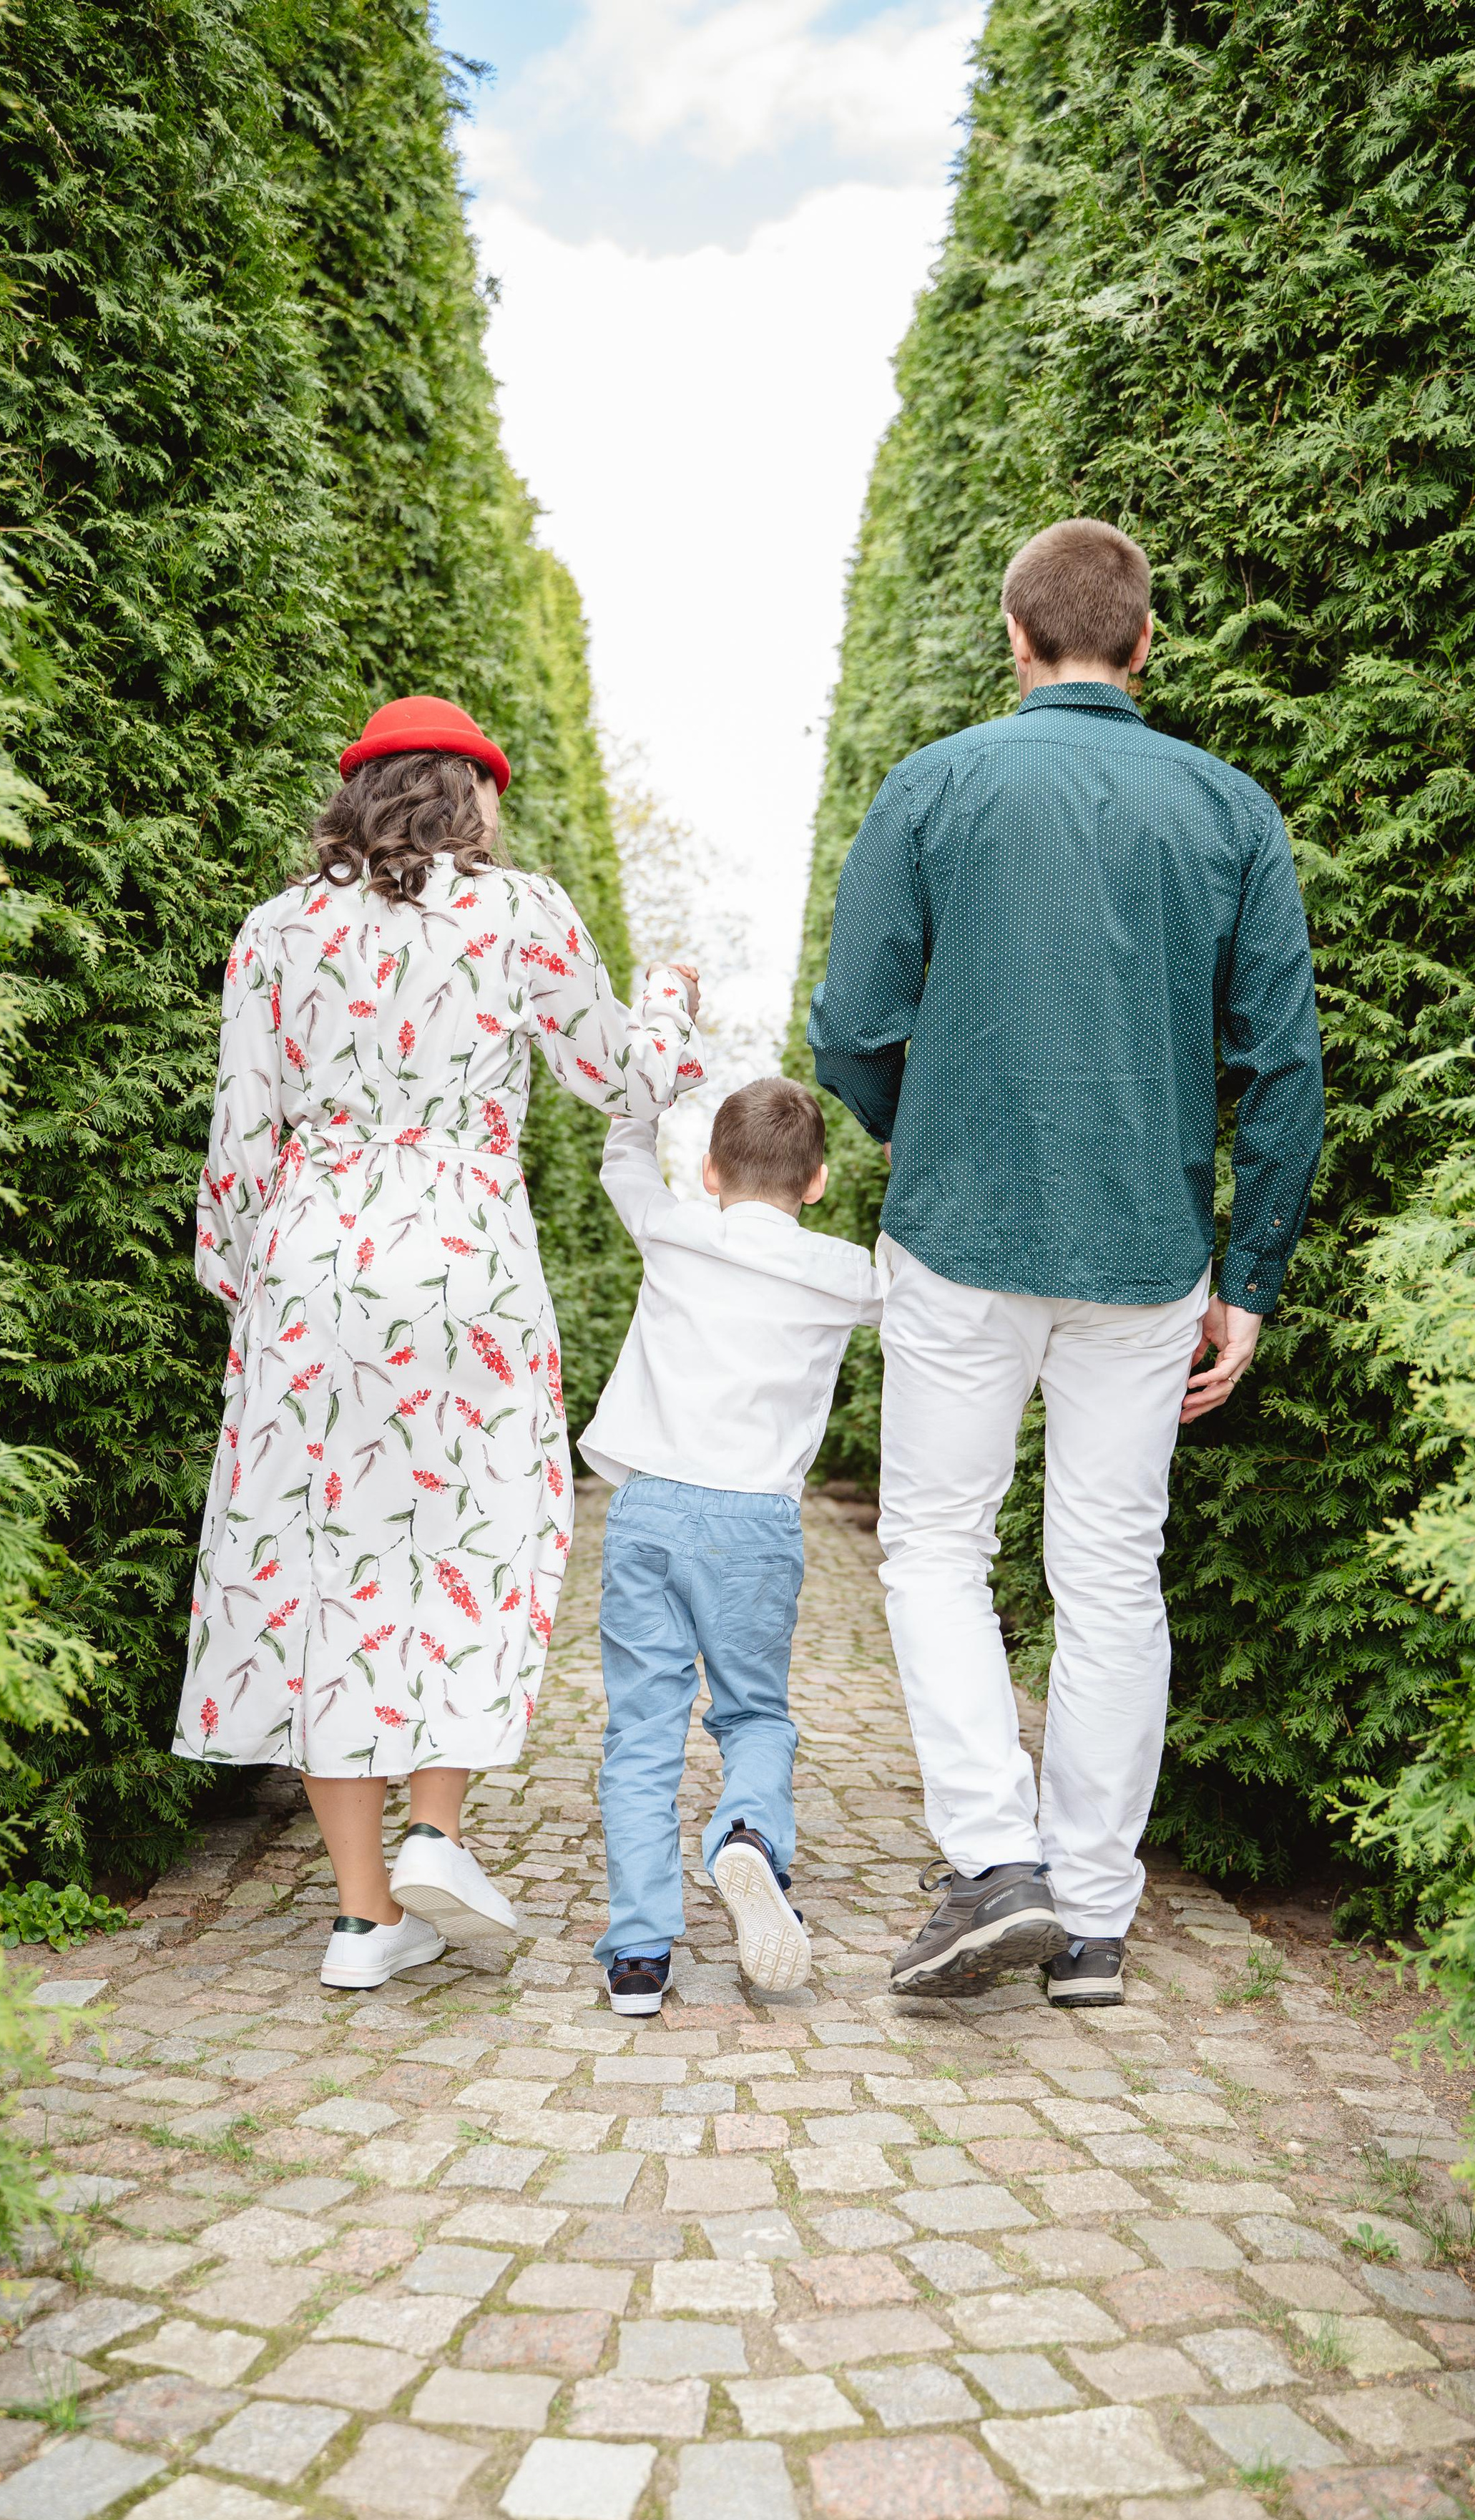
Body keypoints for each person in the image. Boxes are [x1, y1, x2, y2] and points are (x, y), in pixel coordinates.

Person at [808, 519, 1323, 2008]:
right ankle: (1091, 1914)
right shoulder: (1230, 808)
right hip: (1148, 1249)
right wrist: (1252, 1274)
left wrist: (935, 1130)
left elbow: (848, 1021)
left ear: (1013, 638)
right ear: (1143, 641)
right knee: (1107, 1571)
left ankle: (993, 1860)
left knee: (934, 1548)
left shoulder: (936, 783)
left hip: (963, 1234)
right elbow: (1280, 1067)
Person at [176, 694, 705, 1991]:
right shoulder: (520, 910)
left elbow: (240, 1143)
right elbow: (620, 1079)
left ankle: (364, 1921)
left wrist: (257, 1297)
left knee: (319, 1569)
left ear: (359, 793)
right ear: (474, 794)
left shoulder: (277, 927)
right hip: (465, 1260)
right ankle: (436, 1829)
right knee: (474, 1539)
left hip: (314, 1265)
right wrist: (675, 1003)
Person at [579, 1079, 884, 2016]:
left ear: (709, 1171)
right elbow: (924, 1280)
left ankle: (638, 1954)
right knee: (754, 1715)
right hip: (755, 1521)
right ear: (821, 1181)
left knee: (641, 1733)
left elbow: (622, 1162)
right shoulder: (848, 1273)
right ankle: (748, 1837)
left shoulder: (676, 1229)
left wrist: (648, 1081)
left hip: (654, 1507)